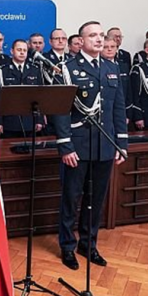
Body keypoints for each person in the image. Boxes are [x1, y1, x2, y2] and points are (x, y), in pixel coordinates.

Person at [50, 21, 128, 271]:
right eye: (92, 35)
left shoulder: (111, 67)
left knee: (96, 199)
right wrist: (65, 146)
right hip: (78, 146)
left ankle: (88, 244)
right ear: (81, 41)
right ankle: (67, 246)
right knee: (71, 199)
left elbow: (118, 108)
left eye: (101, 35)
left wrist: (121, 143)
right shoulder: (68, 68)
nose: (98, 39)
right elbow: (60, 110)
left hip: (104, 144)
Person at [0, 39, 42, 138]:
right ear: (12, 51)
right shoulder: (2, 70)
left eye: (24, 50)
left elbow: (39, 96)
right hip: (9, 121)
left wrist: (39, 120)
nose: (22, 52)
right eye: (19, 50)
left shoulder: (34, 70)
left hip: (29, 120)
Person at [103, 37, 131, 122]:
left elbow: (129, 91)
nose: (109, 49)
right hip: (105, 111)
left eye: (113, 47)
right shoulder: (97, 67)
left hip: (122, 109)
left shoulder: (123, 66)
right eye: (105, 47)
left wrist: (128, 113)